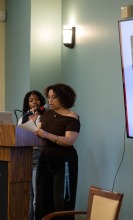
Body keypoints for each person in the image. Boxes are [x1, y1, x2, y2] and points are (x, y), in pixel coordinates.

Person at [34, 83, 80, 220]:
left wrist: (47, 135)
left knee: (62, 203)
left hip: (63, 163)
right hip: (45, 161)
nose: (50, 101)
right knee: (42, 202)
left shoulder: (72, 117)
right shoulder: (47, 114)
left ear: (64, 98)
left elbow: (69, 141)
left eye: (54, 97)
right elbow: (38, 132)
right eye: (48, 97)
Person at [18, 90, 46, 220]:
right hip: (23, 156)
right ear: (27, 104)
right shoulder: (22, 117)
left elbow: (41, 134)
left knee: (37, 196)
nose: (34, 102)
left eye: (37, 99)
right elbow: (17, 135)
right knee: (27, 195)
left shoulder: (44, 115)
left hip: (37, 154)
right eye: (31, 100)